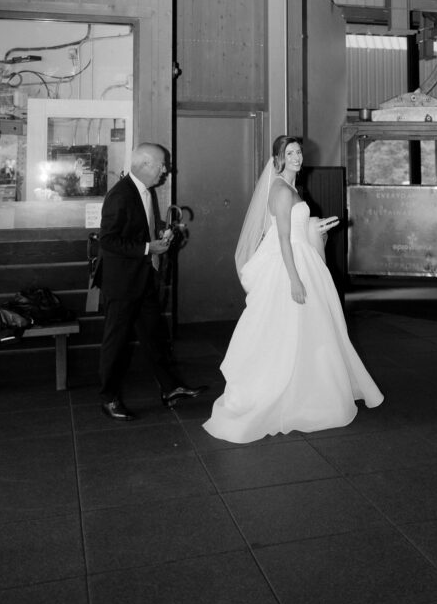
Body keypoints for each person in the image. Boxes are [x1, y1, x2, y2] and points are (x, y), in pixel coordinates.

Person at [203, 135, 383, 443]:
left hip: (302, 258)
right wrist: (295, 279)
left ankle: (306, 391)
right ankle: (286, 394)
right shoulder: (281, 190)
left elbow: (295, 230)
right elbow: (283, 239)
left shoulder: (292, 189)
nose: (297, 156)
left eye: (299, 151)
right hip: (291, 265)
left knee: (310, 330)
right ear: (278, 159)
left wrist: (314, 226)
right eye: (290, 152)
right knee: (289, 331)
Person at [98, 142, 204, 421]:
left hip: (142, 279)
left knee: (155, 336)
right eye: (161, 164)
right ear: (144, 164)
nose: (165, 170)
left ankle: (171, 388)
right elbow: (108, 240)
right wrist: (148, 248)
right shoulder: (120, 195)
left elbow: (139, 229)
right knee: (116, 342)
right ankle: (108, 398)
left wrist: (161, 235)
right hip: (122, 283)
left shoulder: (146, 192)